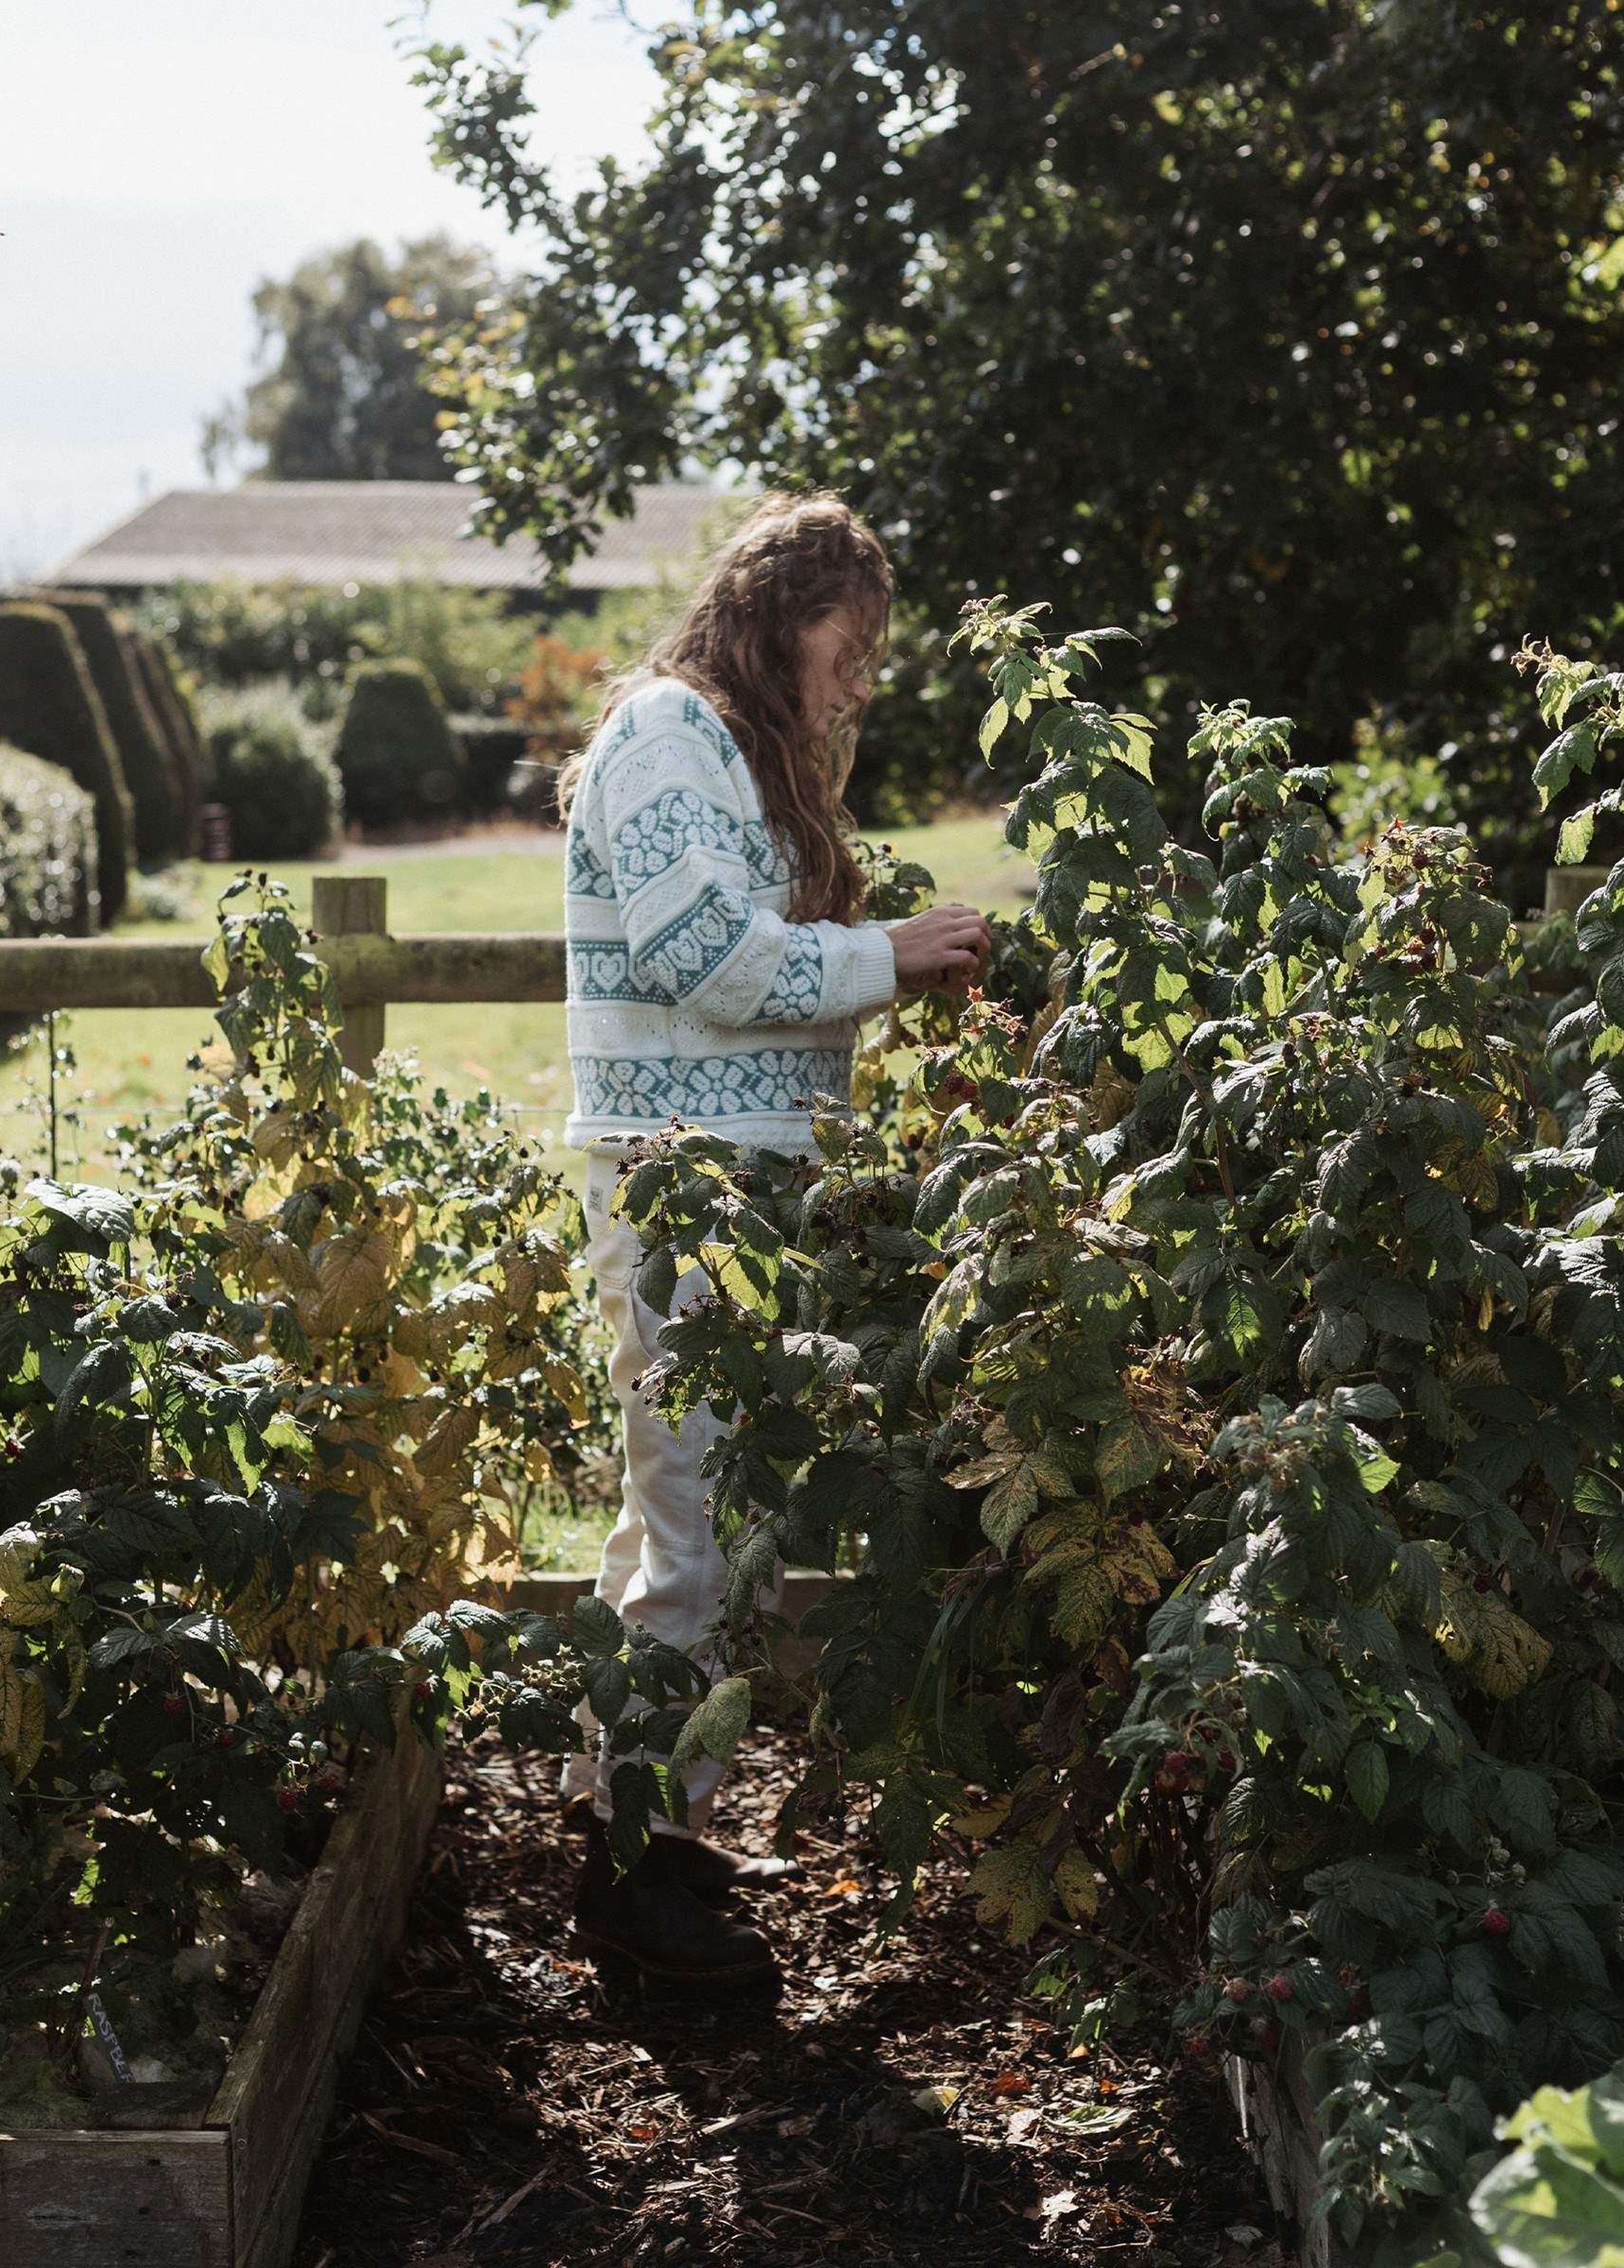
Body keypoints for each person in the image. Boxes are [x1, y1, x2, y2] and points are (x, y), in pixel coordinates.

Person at [554, 490, 991, 1985]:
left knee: (678, 1512)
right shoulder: (675, 735)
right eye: (847, 644)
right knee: (700, 1529)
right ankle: (638, 1892)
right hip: (683, 1185)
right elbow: (702, 960)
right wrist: (892, 953)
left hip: (727, 1181)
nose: (862, 677)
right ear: (771, 618)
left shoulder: (728, 747)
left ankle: (626, 1825)